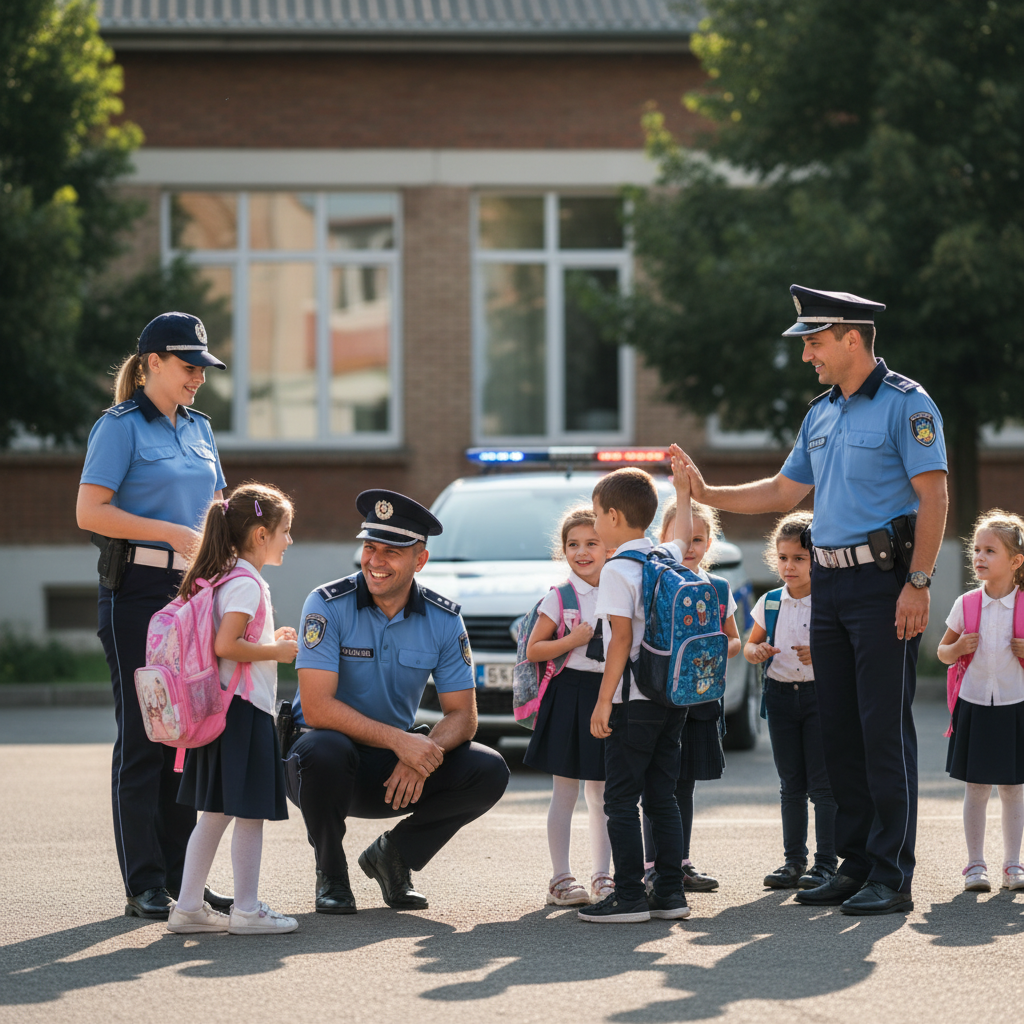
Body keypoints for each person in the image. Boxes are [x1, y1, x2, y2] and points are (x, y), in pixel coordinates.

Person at [679, 285, 948, 916]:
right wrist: (707, 493)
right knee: (840, 731)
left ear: (852, 338)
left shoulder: (908, 404)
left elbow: (933, 496)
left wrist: (918, 582)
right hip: (829, 584)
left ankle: (891, 874)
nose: (807, 355)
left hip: (883, 585)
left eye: (815, 342)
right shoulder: (820, 413)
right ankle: (854, 866)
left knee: (882, 730)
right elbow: (782, 491)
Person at [284, 490, 511, 914]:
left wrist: (421, 755)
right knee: (324, 748)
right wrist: (400, 741)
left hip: (393, 773)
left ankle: (394, 856)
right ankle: (331, 874)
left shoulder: (444, 619)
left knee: (488, 769)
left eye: (392, 551)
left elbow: (463, 715)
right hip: (321, 769)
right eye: (370, 547)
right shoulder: (327, 604)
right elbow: (316, 708)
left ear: (420, 560)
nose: (375, 560)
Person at [76, 311, 234, 920]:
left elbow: (216, 507)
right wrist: (169, 533)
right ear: (153, 364)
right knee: (146, 735)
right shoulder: (118, 427)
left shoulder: (200, 427)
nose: (199, 377)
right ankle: (144, 882)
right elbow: (90, 511)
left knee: (185, 735)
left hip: (193, 591)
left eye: (203, 367)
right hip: (137, 591)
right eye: (189, 366)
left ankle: (181, 880)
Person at [167, 483, 300, 935]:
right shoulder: (246, 583)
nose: (289, 539)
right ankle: (246, 910)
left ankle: (188, 908)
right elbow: (227, 645)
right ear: (261, 534)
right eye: (285, 530)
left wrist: (267, 642)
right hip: (244, 712)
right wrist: (277, 653)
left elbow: (233, 644)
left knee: (215, 814)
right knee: (250, 813)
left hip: (223, 710)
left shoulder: (226, 577)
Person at [579, 455, 693, 923]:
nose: (594, 524)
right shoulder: (663, 556)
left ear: (612, 516)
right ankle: (669, 894)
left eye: (595, 514)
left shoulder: (616, 570)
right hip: (672, 697)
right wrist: (683, 493)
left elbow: (620, 640)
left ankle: (628, 896)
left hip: (633, 701)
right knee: (662, 797)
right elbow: (683, 534)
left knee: (621, 800)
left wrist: (603, 702)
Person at [641, 496, 741, 895]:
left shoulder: (718, 588)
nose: (690, 547)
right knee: (656, 785)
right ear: (662, 539)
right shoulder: (654, 583)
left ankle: (680, 863)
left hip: (699, 699)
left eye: (698, 539)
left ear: (709, 543)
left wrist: (717, 649)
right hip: (658, 697)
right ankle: (652, 866)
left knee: (685, 784)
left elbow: (734, 639)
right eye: (682, 538)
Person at [523, 506, 614, 906]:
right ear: (563, 551)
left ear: (609, 548)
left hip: (607, 693)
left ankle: (603, 876)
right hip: (568, 693)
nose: (582, 552)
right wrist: (572, 641)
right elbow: (534, 649)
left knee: (603, 792)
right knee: (565, 790)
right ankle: (560, 878)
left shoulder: (620, 590)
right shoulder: (559, 597)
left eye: (592, 543)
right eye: (573, 544)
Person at [745, 512, 837, 892]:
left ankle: (826, 865)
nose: (790, 566)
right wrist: (756, 652)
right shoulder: (770, 602)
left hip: (819, 698)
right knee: (791, 785)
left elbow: (847, 649)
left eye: (799, 558)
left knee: (823, 786)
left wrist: (821, 653)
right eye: (783, 558)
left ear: (817, 560)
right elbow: (750, 644)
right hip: (781, 696)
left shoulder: (829, 601)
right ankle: (793, 862)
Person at [937, 510, 1024, 893]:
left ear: (1016, 561)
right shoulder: (966, 603)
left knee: (1014, 788)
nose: (979, 557)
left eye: (990, 550)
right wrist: (957, 647)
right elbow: (942, 653)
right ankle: (975, 865)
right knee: (976, 786)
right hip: (973, 703)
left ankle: (1013, 865)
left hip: (1015, 704)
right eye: (976, 549)